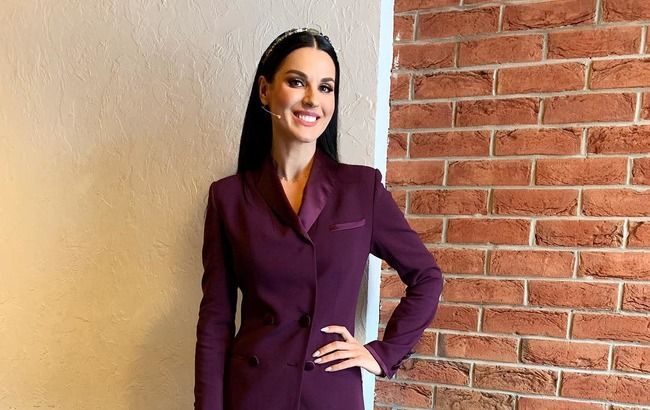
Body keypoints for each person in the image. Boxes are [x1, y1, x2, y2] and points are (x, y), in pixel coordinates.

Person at [194, 27, 443, 410]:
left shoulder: (361, 189)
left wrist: (382, 353)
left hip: (329, 394)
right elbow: (215, 320)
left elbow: (426, 277)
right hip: (254, 393)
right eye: (297, 82)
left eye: (326, 87)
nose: (313, 98)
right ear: (265, 90)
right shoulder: (229, 197)